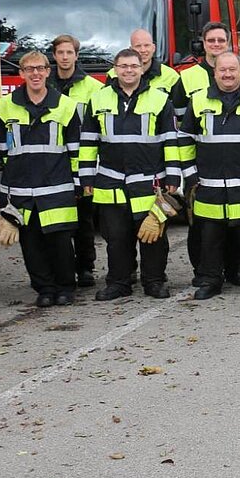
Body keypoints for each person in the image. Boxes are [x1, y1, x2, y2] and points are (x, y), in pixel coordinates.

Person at [80, 48, 186, 300]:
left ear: (141, 69)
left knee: (153, 236)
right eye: (123, 66)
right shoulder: (98, 99)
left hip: (150, 182)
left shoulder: (160, 100)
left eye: (133, 66)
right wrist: (86, 177)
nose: (129, 71)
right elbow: (88, 141)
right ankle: (118, 283)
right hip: (110, 182)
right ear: (115, 69)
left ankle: (154, 282)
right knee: (116, 238)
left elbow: (170, 141)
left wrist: (173, 177)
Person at [0, 51, 83, 307]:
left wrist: (77, 184)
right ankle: (44, 289)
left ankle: (65, 288)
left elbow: (75, 150)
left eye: (40, 68)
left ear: (47, 72)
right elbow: (3, 153)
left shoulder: (66, 106)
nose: (35, 73)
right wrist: (4, 196)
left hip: (57, 188)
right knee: (31, 245)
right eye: (29, 69)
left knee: (60, 242)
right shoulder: (3, 107)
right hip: (20, 189)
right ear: (21, 73)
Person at [181, 52, 240, 300]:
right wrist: (190, 175)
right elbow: (185, 138)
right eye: (223, 70)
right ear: (215, 72)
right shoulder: (198, 100)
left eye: (232, 70)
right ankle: (211, 280)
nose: (228, 74)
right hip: (209, 185)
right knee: (210, 238)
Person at [48, 34, 103, 288]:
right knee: (54, 219)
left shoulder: (93, 87)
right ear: (54, 55)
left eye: (69, 52)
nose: (65, 57)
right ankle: (59, 269)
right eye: (60, 52)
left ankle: (85, 268)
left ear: (77, 55)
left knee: (84, 220)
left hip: (82, 161)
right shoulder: (45, 84)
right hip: (52, 161)